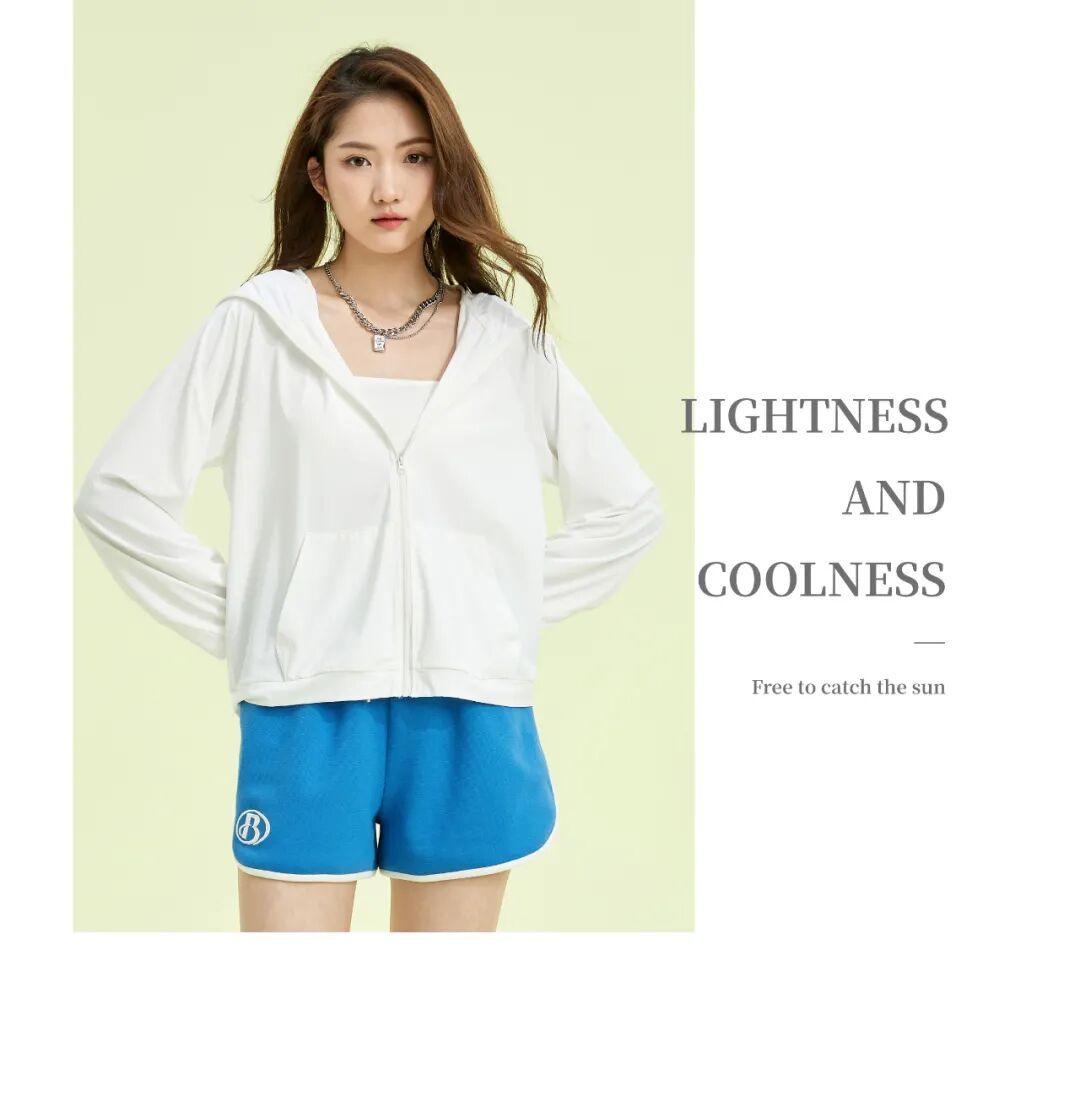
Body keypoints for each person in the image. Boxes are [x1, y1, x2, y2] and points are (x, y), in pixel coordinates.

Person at [73, 45, 663, 935]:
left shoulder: (505, 344)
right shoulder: (259, 328)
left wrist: (494, 603)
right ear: (319, 176)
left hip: (470, 716)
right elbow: (116, 497)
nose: (388, 187)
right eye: (358, 160)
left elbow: (628, 510)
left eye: (414, 157)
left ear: (442, 170)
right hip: (308, 714)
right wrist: (256, 617)